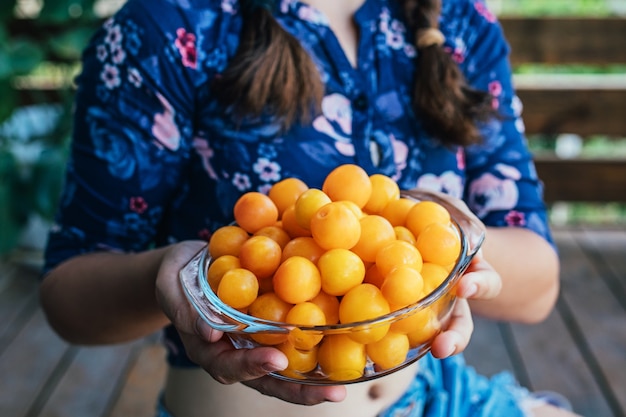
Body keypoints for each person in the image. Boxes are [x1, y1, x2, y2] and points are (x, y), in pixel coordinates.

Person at [38, 0, 578, 416]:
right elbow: (69, 296)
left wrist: (454, 254)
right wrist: (166, 278)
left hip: (441, 400)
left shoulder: (460, 21)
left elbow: (538, 282)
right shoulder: (164, 27)